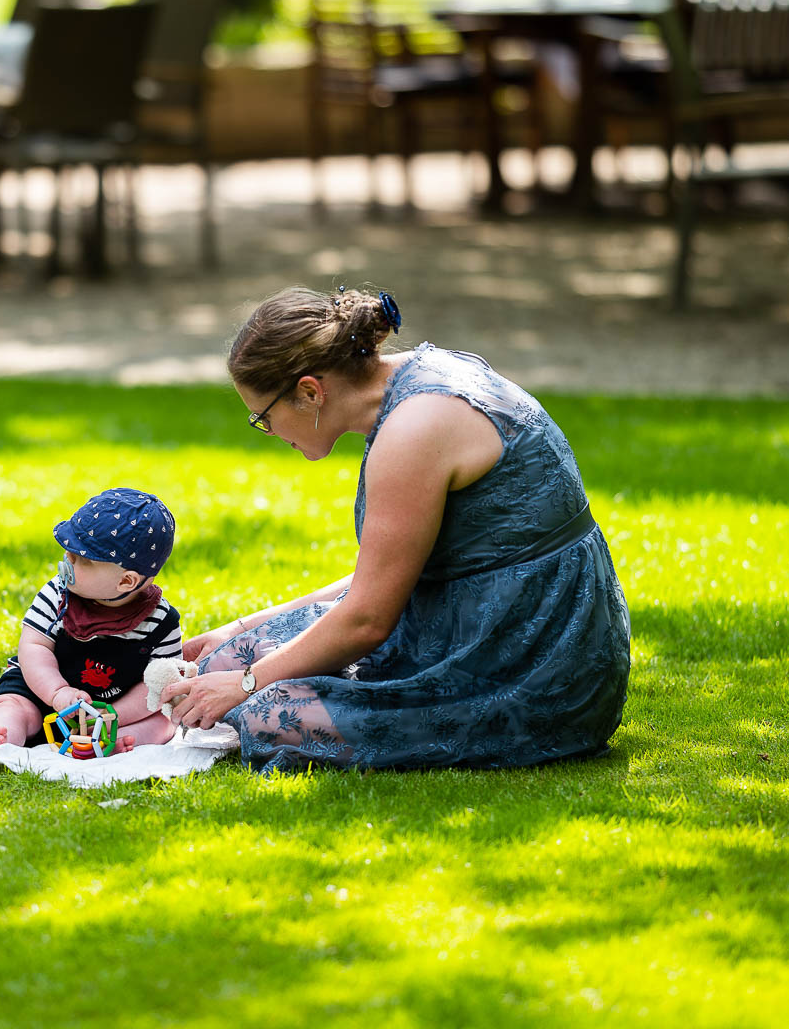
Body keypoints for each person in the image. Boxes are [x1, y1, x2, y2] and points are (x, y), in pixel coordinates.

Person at [164, 285, 630, 772]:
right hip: (464, 619)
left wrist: (246, 685)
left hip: (531, 662)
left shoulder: (414, 429)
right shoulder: (410, 384)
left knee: (265, 713)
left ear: (309, 391)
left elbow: (368, 620)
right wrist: (242, 629)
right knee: (221, 662)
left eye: (264, 417)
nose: (271, 433)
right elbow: (384, 576)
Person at [0, 488, 183, 752]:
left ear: (126, 581)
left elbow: (157, 684)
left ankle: (112, 740)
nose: (66, 560)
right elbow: (33, 647)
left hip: (117, 705)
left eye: (80, 559)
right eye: (68, 551)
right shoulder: (57, 594)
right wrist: (57, 693)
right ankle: (3, 738)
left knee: (163, 719)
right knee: (12, 704)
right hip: (42, 691)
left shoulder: (162, 622)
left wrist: (112, 716)